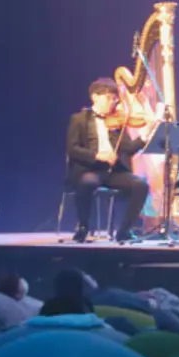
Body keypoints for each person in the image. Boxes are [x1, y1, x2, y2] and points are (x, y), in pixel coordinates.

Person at [66, 78, 152, 243]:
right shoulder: (79, 119)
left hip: (113, 172)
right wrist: (97, 155)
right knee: (87, 182)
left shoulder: (116, 122)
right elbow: (73, 148)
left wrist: (146, 133)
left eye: (115, 98)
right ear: (95, 97)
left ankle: (124, 230)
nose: (113, 102)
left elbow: (129, 148)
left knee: (141, 185)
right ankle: (83, 226)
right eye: (109, 98)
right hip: (90, 169)